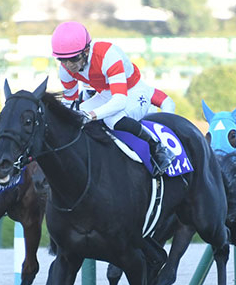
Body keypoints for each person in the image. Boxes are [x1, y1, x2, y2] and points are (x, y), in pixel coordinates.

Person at [51, 21, 176, 176]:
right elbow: (69, 101)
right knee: (77, 113)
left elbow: (119, 101)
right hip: (107, 93)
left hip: (133, 91)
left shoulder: (107, 56)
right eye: (62, 60)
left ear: (86, 51)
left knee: (111, 119)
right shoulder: (65, 69)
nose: (69, 65)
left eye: (74, 58)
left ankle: (158, 147)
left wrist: (91, 115)